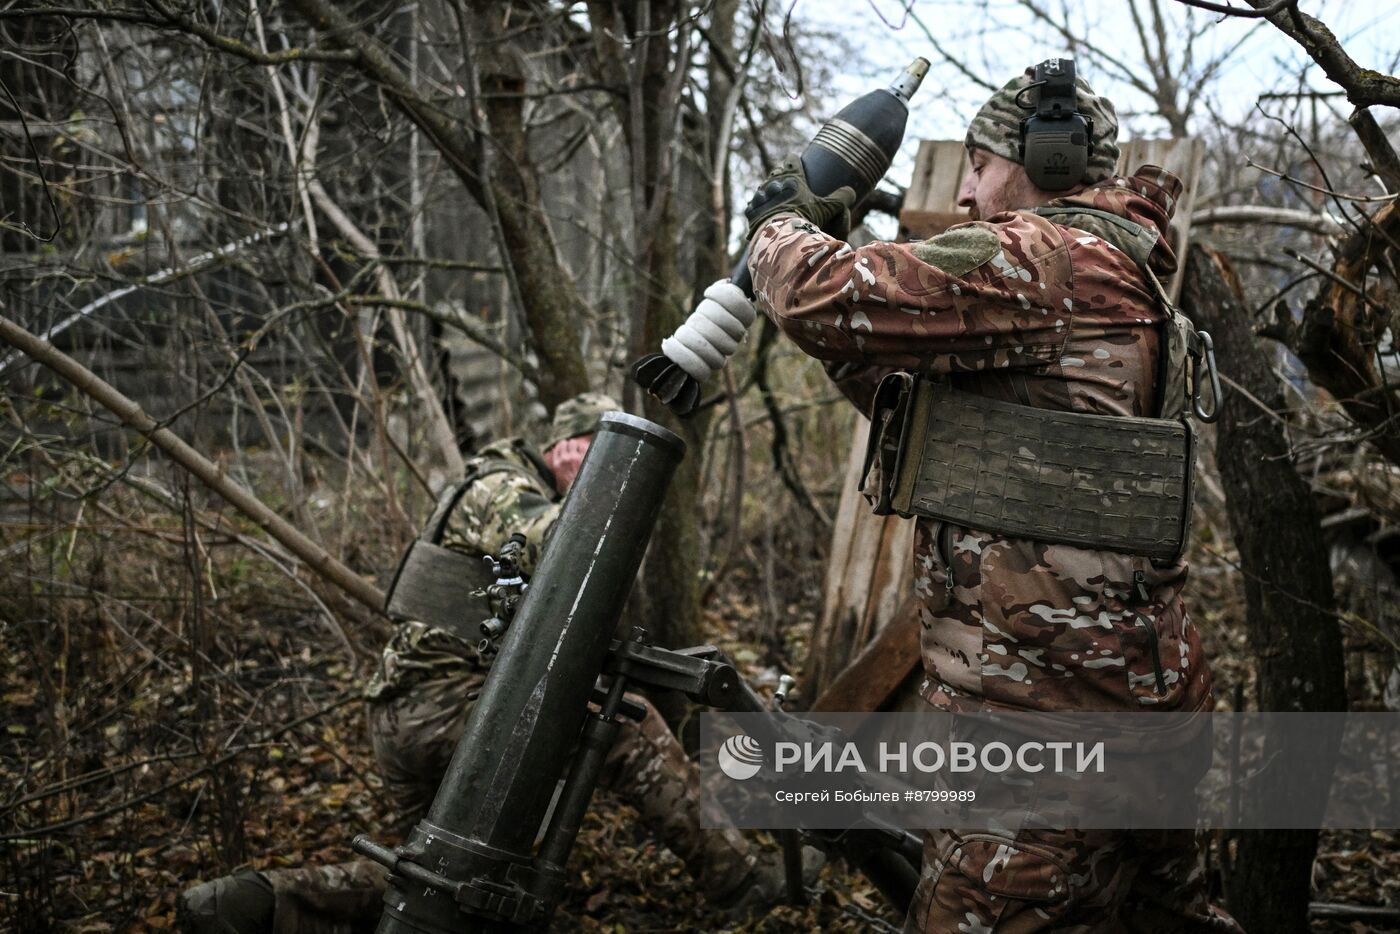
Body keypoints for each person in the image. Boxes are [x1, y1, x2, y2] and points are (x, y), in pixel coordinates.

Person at [741, 61, 1243, 932]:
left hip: (1036, 740)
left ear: (1041, 159)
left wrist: (780, 225)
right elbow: (942, 417)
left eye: (977, 164)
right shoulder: (1123, 273)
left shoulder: (1045, 258)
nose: (967, 195)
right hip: (1136, 712)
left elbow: (822, 297)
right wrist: (850, 340)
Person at [179, 393, 795, 933]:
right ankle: (740, 885)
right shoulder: (499, 485)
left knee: (432, 880)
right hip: (450, 706)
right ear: (565, 449)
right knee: (628, 731)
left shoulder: (490, 484)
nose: (587, 470)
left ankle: (261, 904)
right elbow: (561, 548)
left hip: (409, 712)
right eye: (584, 452)